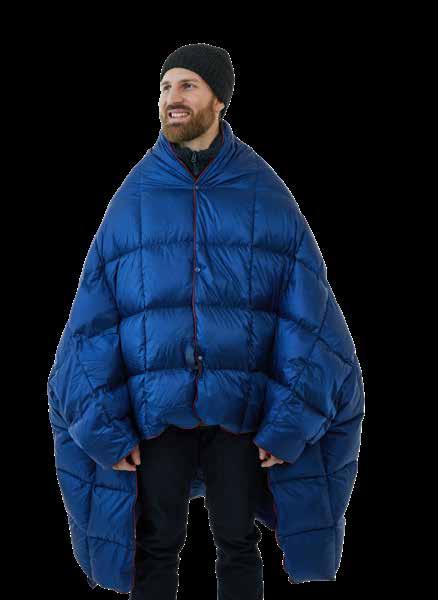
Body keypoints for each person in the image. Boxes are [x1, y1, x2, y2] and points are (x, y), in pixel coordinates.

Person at [47, 42, 364, 596]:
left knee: (238, 541)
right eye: (165, 87)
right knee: (154, 542)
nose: (172, 98)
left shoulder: (263, 193)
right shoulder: (135, 198)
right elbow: (91, 326)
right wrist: (105, 429)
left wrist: (289, 424)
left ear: (219, 99)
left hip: (238, 413)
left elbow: (311, 324)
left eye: (187, 85)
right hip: (157, 413)